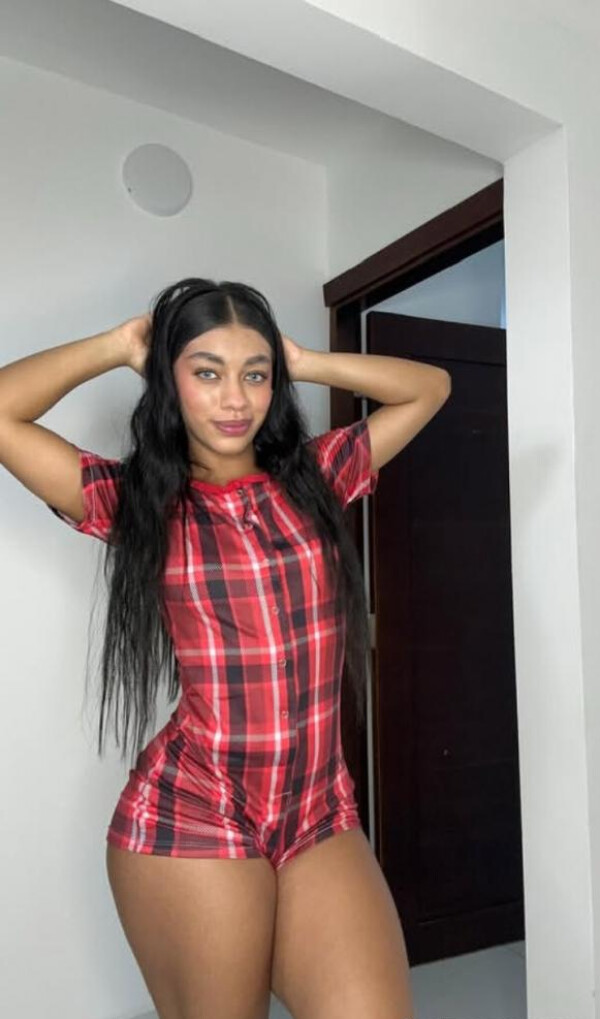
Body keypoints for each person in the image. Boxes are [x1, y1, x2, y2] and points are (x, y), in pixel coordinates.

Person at [0, 278, 450, 1019]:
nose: (235, 398)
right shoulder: (138, 502)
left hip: (317, 809)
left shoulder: (318, 478)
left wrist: (304, 361)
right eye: (207, 372)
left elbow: (429, 388)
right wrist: (119, 346)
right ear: (169, 379)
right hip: (196, 809)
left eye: (255, 374)